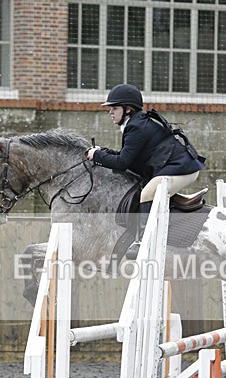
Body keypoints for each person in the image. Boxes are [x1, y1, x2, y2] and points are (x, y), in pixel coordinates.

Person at [86, 83, 205, 258]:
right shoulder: (136, 123)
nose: (110, 112)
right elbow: (127, 157)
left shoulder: (136, 127)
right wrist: (102, 152)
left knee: (147, 193)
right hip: (176, 166)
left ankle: (142, 241)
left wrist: (97, 156)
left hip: (182, 169)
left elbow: (122, 163)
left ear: (128, 110)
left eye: (114, 108)